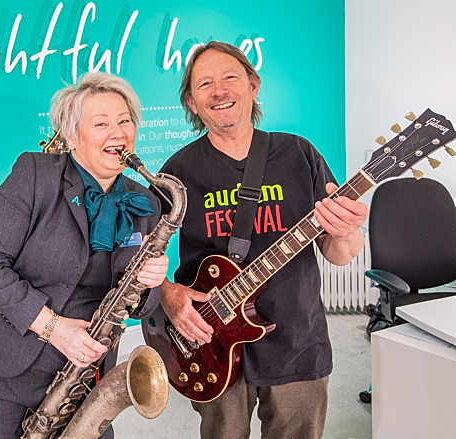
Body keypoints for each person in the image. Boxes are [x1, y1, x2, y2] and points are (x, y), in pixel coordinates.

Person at [156, 41, 369, 439]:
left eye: (230, 78)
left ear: (253, 86)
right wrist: (168, 294)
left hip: (296, 338)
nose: (219, 91)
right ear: (192, 102)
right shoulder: (178, 171)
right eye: (204, 84)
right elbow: (138, 255)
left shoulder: (299, 154)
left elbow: (339, 254)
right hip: (211, 343)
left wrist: (346, 231)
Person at [0, 72, 169, 439]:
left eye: (124, 121)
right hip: (1, 364)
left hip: (81, 374)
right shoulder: (34, 174)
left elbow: (140, 307)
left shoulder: (144, 203)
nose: (118, 134)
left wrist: (152, 284)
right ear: (71, 135)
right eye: (101, 124)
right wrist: (55, 328)